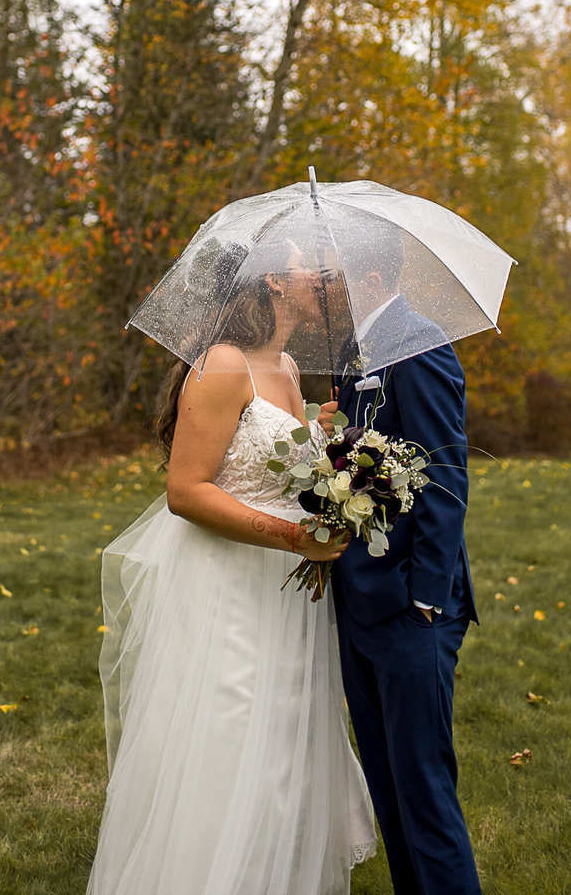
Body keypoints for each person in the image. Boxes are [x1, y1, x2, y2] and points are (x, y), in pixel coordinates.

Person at [86, 241, 375, 895]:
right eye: (308, 267)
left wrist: (322, 442)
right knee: (230, 741)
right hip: (229, 591)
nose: (320, 277)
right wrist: (292, 539)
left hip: (285, 598)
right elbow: (186, 490)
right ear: (273, 280)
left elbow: (272, 468)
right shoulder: (221, 364)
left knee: (281, 749)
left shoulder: (290, 364)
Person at [322, 221, 482, 895]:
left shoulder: (420, 346)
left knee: (422, 793)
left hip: (414, 607)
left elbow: (445, 475)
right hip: (360, 602)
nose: (326, 286)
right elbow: (370, 463)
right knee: (389, 790)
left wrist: (426, 595)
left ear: (373, 280)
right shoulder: (351, 351)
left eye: (334, 274)